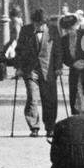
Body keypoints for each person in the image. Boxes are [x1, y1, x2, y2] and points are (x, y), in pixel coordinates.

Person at [15, 8, 62, 138]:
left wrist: (58, 66)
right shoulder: (26, 30)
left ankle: (50, 127)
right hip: (30, 70)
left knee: (50, 100)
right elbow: (19, 50)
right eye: (36, 23)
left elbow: (58, 50)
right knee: (32, 98)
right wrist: (19, 67)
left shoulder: (53, 30)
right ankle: (34, 127)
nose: (38, 26)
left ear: (45, 22)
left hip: (48, 70)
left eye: (41, 23)